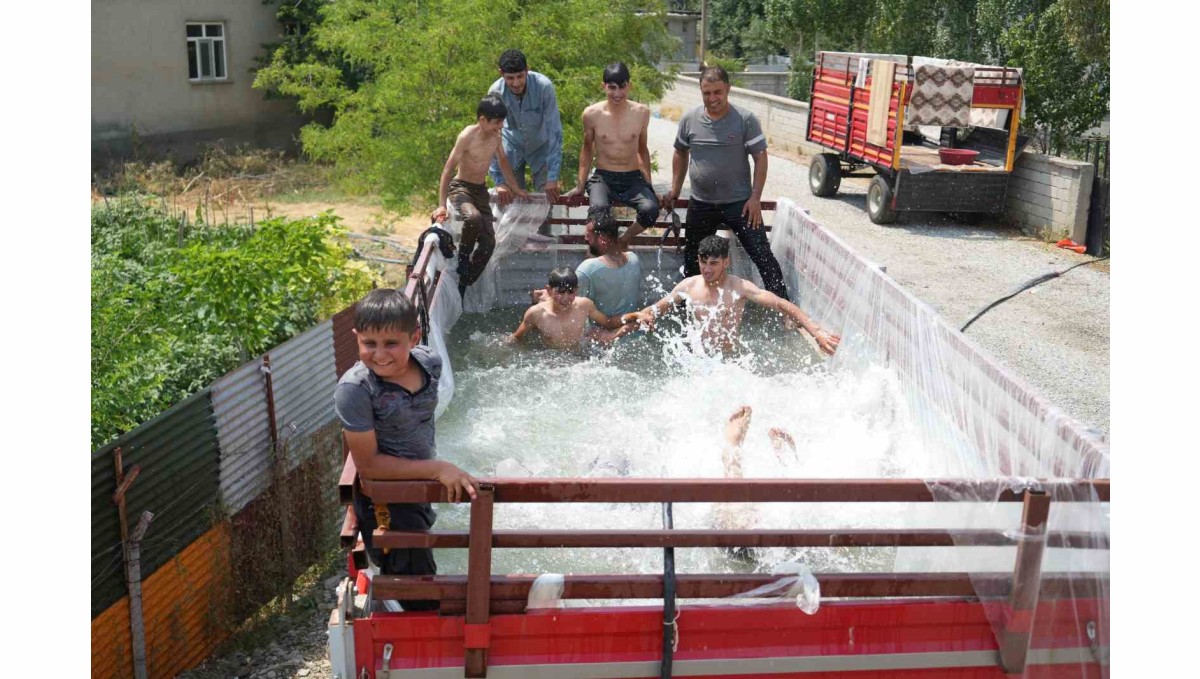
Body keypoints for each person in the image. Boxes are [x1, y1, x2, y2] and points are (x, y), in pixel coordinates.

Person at [333, 289, 479, 610]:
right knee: (416, 584)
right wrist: (438, 468)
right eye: (369, 343)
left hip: (420, 489)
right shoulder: (356, 390)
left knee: (419, 564)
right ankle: (421, 634)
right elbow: (369, 466)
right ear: (356, 337)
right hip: (386, 501)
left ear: (413, 338)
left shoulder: (429, 364)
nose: (380, 354)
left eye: (391, 343)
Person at [661, 65, 789, 299]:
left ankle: (786, 311)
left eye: (717, 92)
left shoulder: (745, 119)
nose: (712, 98)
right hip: (701, 203)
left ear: (728, 89)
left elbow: (760, 157)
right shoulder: (690, 119)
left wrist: (755, 198)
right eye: (706, 93)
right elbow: (680, 152)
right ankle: (687, 311)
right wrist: (675, 190)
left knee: (762, 255)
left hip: (740, 204)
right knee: (693, 260)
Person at [622, 235, 840, 355]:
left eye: (713, 263)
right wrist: (644, 314)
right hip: (697, 361)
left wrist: (816, 331)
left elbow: (781, 304)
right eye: (703, 262)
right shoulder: (688, 286)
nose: (706, 269)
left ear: (726, 262)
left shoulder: (740, 288)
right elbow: (658, 308)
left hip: (728, 362)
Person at [432, 95, 528, 294]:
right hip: (461, 188)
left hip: (480, 190)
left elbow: (503, 162)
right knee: (473, 217)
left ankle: (464, 282)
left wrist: (515, 188)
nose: (500, 126)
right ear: (482, 120)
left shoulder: (496, 137)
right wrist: (441, 204)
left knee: (489, 244)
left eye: (502, 122)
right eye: (496, 122)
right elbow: (448, 169)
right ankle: (463, 259)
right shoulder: (467, 136)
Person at [564, 62, 659, 248]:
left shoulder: (641, 113)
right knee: (598, 212)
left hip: (633, 178)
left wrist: (649, 184)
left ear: (629, 86)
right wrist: (580, 185)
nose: (617, 93)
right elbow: (586, 150)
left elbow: (642, 149)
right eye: (612, 87)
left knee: (651, 209)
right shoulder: (591, 114)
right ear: (603, 86)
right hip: (603, 178)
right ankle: (600, 251)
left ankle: (623, 240)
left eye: (622, 87)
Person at [488, 49, 563, 234]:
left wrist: (553, 176)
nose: (516, 83)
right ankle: (516, 247)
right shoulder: (495, 91)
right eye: (510, 78)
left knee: (546, 198)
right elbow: (490, 135)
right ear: (501, 74)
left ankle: (544, 245)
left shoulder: (544, 86)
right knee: (512, 200)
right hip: (511, 145)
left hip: (541, 145)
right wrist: (498, 180)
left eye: (520, 76)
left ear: (527, 70)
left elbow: (554, 130)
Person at [532, 211, 643, 317]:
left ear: (602, 239)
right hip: (630, 328)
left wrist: (548, 299)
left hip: (598, 334)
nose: (585, 238)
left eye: (588, 235)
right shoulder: (634, 260)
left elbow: (568, 307)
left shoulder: (588, 269)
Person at [507, 267, 633, 350]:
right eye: (561, 292)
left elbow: (608, 323)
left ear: (577, 290)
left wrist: (635, 316)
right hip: (550, 362)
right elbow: (517, 337)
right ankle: (538, 296)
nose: (566, 298)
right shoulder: (536, 314)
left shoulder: (584, 305)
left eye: (571, 292)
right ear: (550, 290)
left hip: (579, 358)